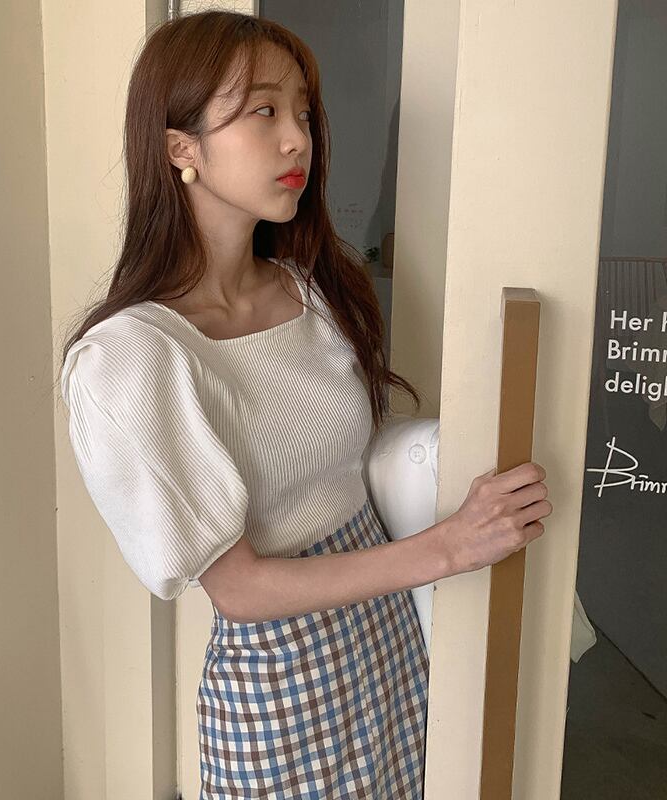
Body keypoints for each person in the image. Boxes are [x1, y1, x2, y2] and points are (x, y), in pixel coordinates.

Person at [58, 10, 552, 799]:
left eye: (303, 112)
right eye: (264, 110)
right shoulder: (133, 358)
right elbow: (240, 589)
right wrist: (453, 546)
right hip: (280, 684)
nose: (298, 139)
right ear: (181, 147)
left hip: (385, 644)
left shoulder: (309, 288)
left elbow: (347, 468)